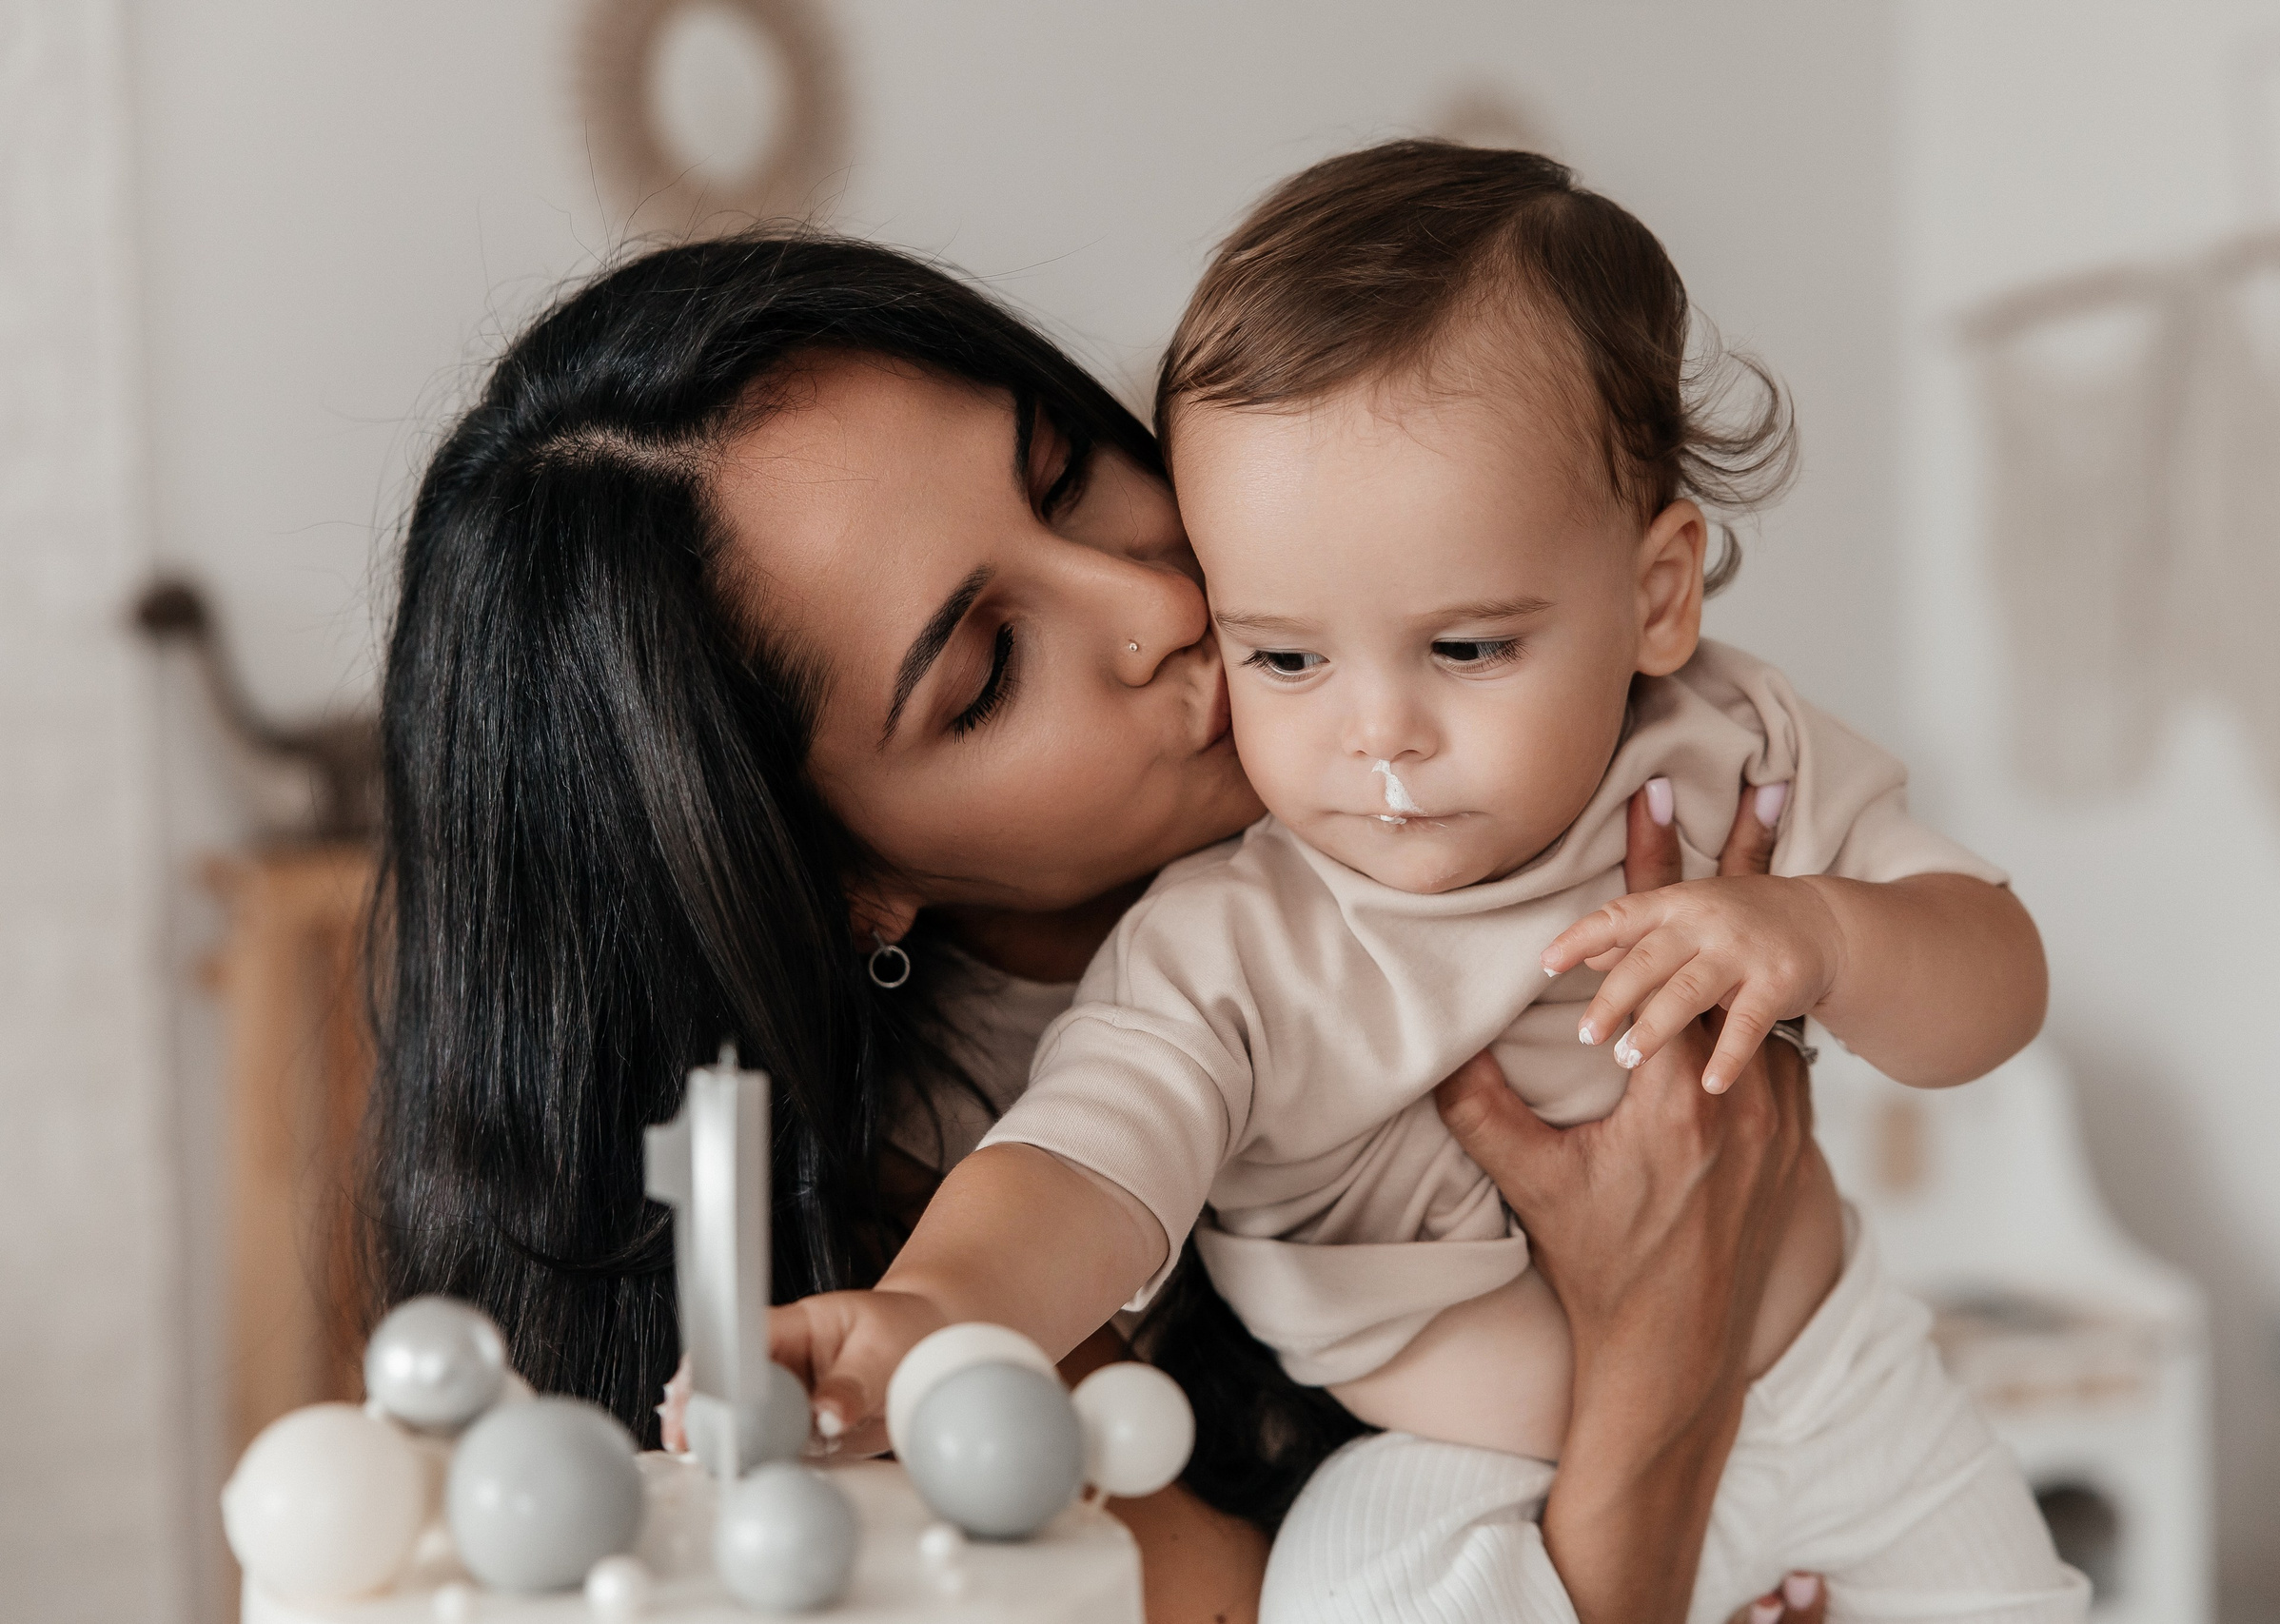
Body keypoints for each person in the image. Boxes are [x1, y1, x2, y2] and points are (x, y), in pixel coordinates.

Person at [373, 228, 1835, 1624]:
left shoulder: (1471, 755)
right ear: (837, 881)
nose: (1154, 604)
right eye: (992, 668)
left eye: (1067, 479)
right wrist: (1668, 1344)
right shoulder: (933, 1314)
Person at [777, 144, 2086, 1623]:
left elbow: (1997, 982)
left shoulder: (1730, 750)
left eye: (1466, 648)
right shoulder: (1232, 942)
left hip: (1844, 1391)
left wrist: (1831, 935)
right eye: (1283, 656)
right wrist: (937, 1316)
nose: (1376, 730)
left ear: (1657, 597)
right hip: (1464, 1477)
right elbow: (1084, 1163)